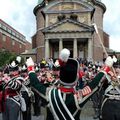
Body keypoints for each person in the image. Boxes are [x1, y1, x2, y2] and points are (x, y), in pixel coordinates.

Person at [26, 48, 115, 120]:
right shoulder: (79, 97)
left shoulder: (49, 94)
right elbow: (94, 84)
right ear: (76, 79)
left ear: (60, 76)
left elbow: (35, 83)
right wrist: (106, 68)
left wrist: (30, 67)